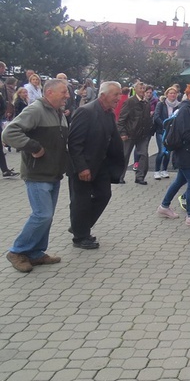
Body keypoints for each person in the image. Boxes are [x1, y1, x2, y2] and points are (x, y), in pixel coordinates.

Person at [2, 79, 70, 273]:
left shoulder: (58, 113)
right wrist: (34, 147)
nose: (67, 95)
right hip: (37, 173)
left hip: (53, 172)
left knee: (47, 217)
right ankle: (17, 251)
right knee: (42, 214)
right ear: (49, 93)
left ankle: (36, 253)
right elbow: (9, 133)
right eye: (63, 92)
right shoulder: (36, 110)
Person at [67, 82, 125, 250]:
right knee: (81, 201)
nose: (118, 98)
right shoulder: (86, 112)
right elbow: (74, 143)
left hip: (101, 165)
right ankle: (80, 237)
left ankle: (79, 226)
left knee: (104, 195)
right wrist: (81, 167)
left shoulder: (108, 113)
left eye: (119, 94)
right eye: (115, 94)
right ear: (103, 95)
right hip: (83, 166)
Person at [155, 84, 190, 227]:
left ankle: (164, 206)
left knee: (180, 180)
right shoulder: (185, 110)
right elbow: (184, 133)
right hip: (185, 152)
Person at [117, 81, 152, 185]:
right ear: (135, 89)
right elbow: (122, 119)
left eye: (143, 89)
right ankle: (119, 176)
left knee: (144, 155)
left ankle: (140, 177)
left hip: (143, 134)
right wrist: (123, 133)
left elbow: (147, 119)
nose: (142, 91)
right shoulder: (130, 102)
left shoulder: (146, 103)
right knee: (125, 155)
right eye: (140, 88)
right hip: (129, 133)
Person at [153, 87, 180, 179]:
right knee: (161, 151)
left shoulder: (178, 106)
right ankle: (157, 171)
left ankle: (164, 170)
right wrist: (165, 125)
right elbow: (156, 116)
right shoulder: (161, 104)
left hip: (171, 133)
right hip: (161, 131)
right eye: (171, 93)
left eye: (174, 93)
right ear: (167, 94)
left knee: (168, 152)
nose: (172, 95)